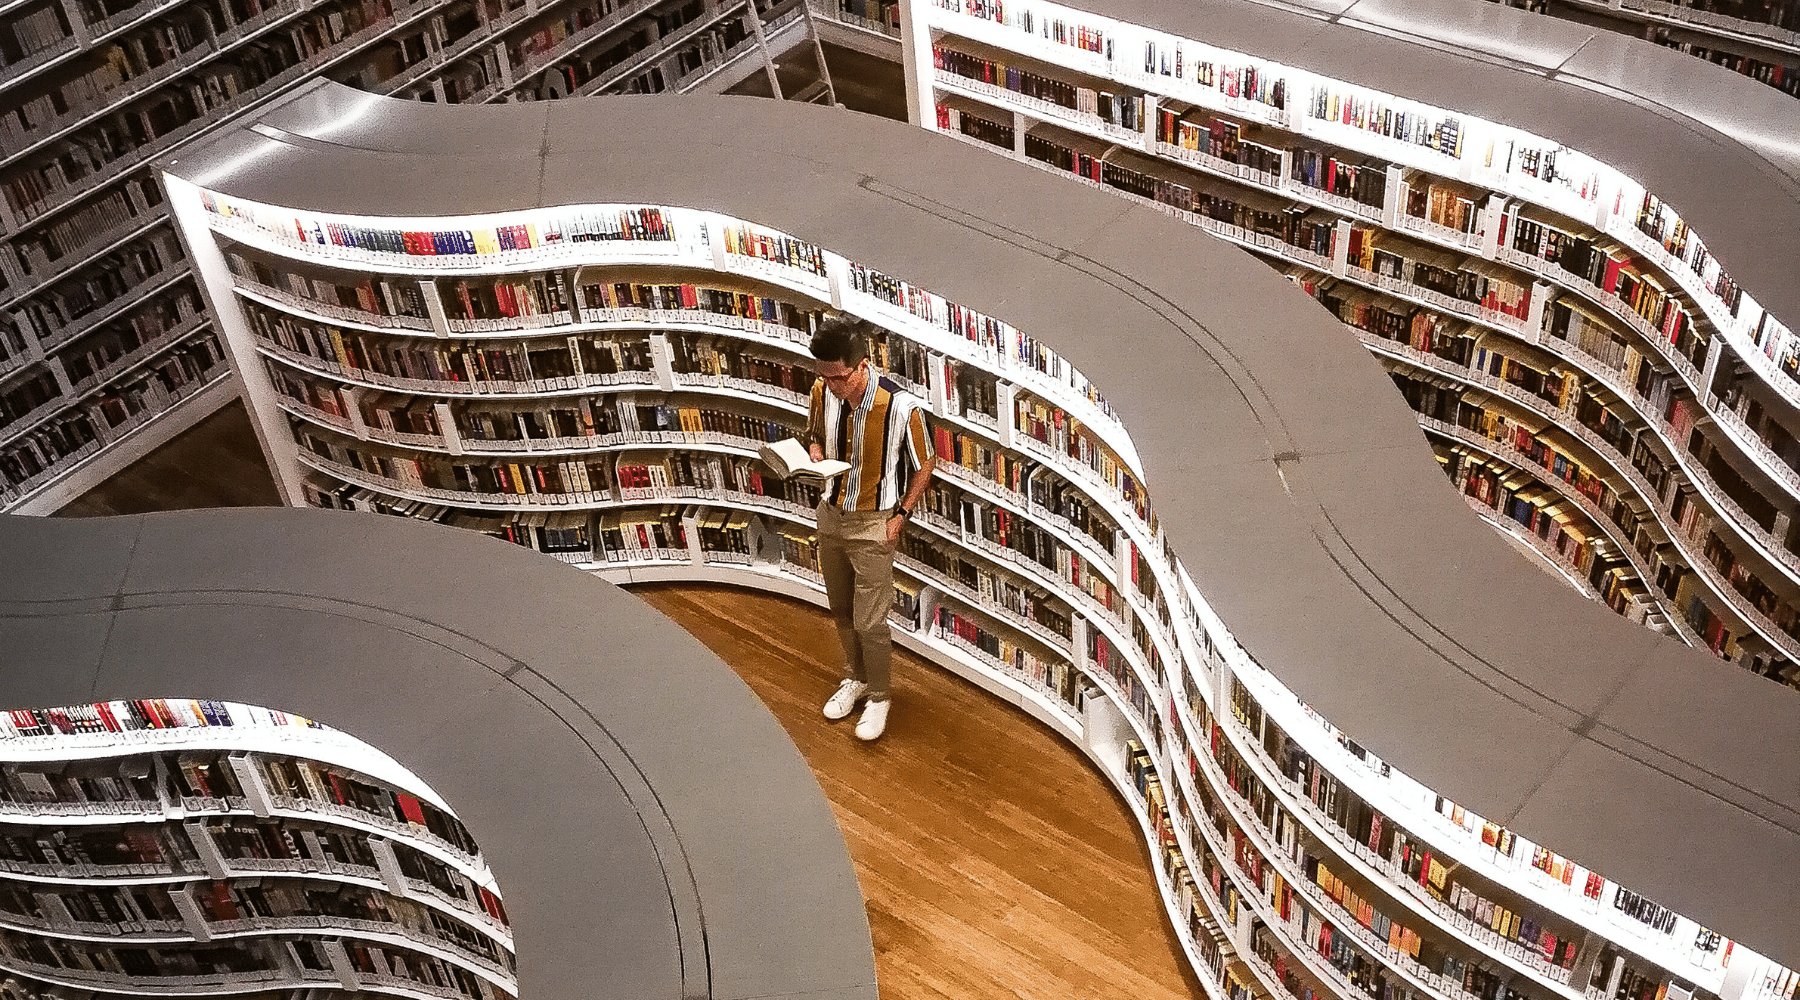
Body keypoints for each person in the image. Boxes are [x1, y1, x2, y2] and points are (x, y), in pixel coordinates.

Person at [803, 315, 936, 741]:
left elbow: (926, 463)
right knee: (840, 609)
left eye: (839, 377)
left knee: (871, 620)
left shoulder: (901, 408)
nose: (832, 387)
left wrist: (902, 515)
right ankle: (854, 678)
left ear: (862, 365)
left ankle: (880, 695)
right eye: (824, 377)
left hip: (874, 524)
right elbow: (813, 434)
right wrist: (814, 454)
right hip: (830, 515)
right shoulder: (822, 390)